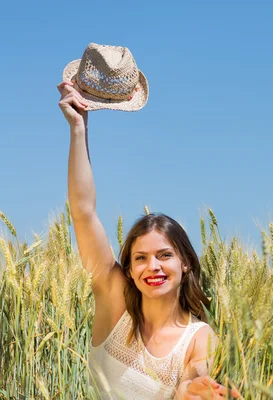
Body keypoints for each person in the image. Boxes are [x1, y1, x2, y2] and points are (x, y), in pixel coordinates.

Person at [57, 44, 241, 400]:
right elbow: (83, 211)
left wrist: (196, 390)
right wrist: (78, 130)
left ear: (185, 262)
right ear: (127, 269)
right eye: (140, 258)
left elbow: (194, 381)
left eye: (164, 255)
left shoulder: (199, 337)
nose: (151, 266)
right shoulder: (114, 303)